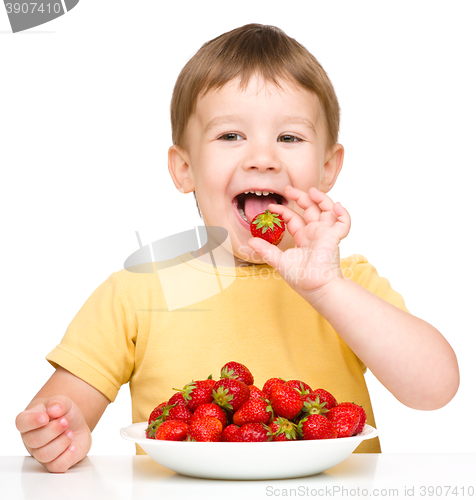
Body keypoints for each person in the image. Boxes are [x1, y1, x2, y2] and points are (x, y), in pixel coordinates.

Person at [15, 24, 459, 473]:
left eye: (289, 138)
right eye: (230, 136)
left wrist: (327, 289)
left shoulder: (348, 282)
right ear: (184, 168)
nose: (262, 157)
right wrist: (57, 429)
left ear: (327, 168)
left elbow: (435, 388)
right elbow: (61, 409)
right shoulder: (135, 293)